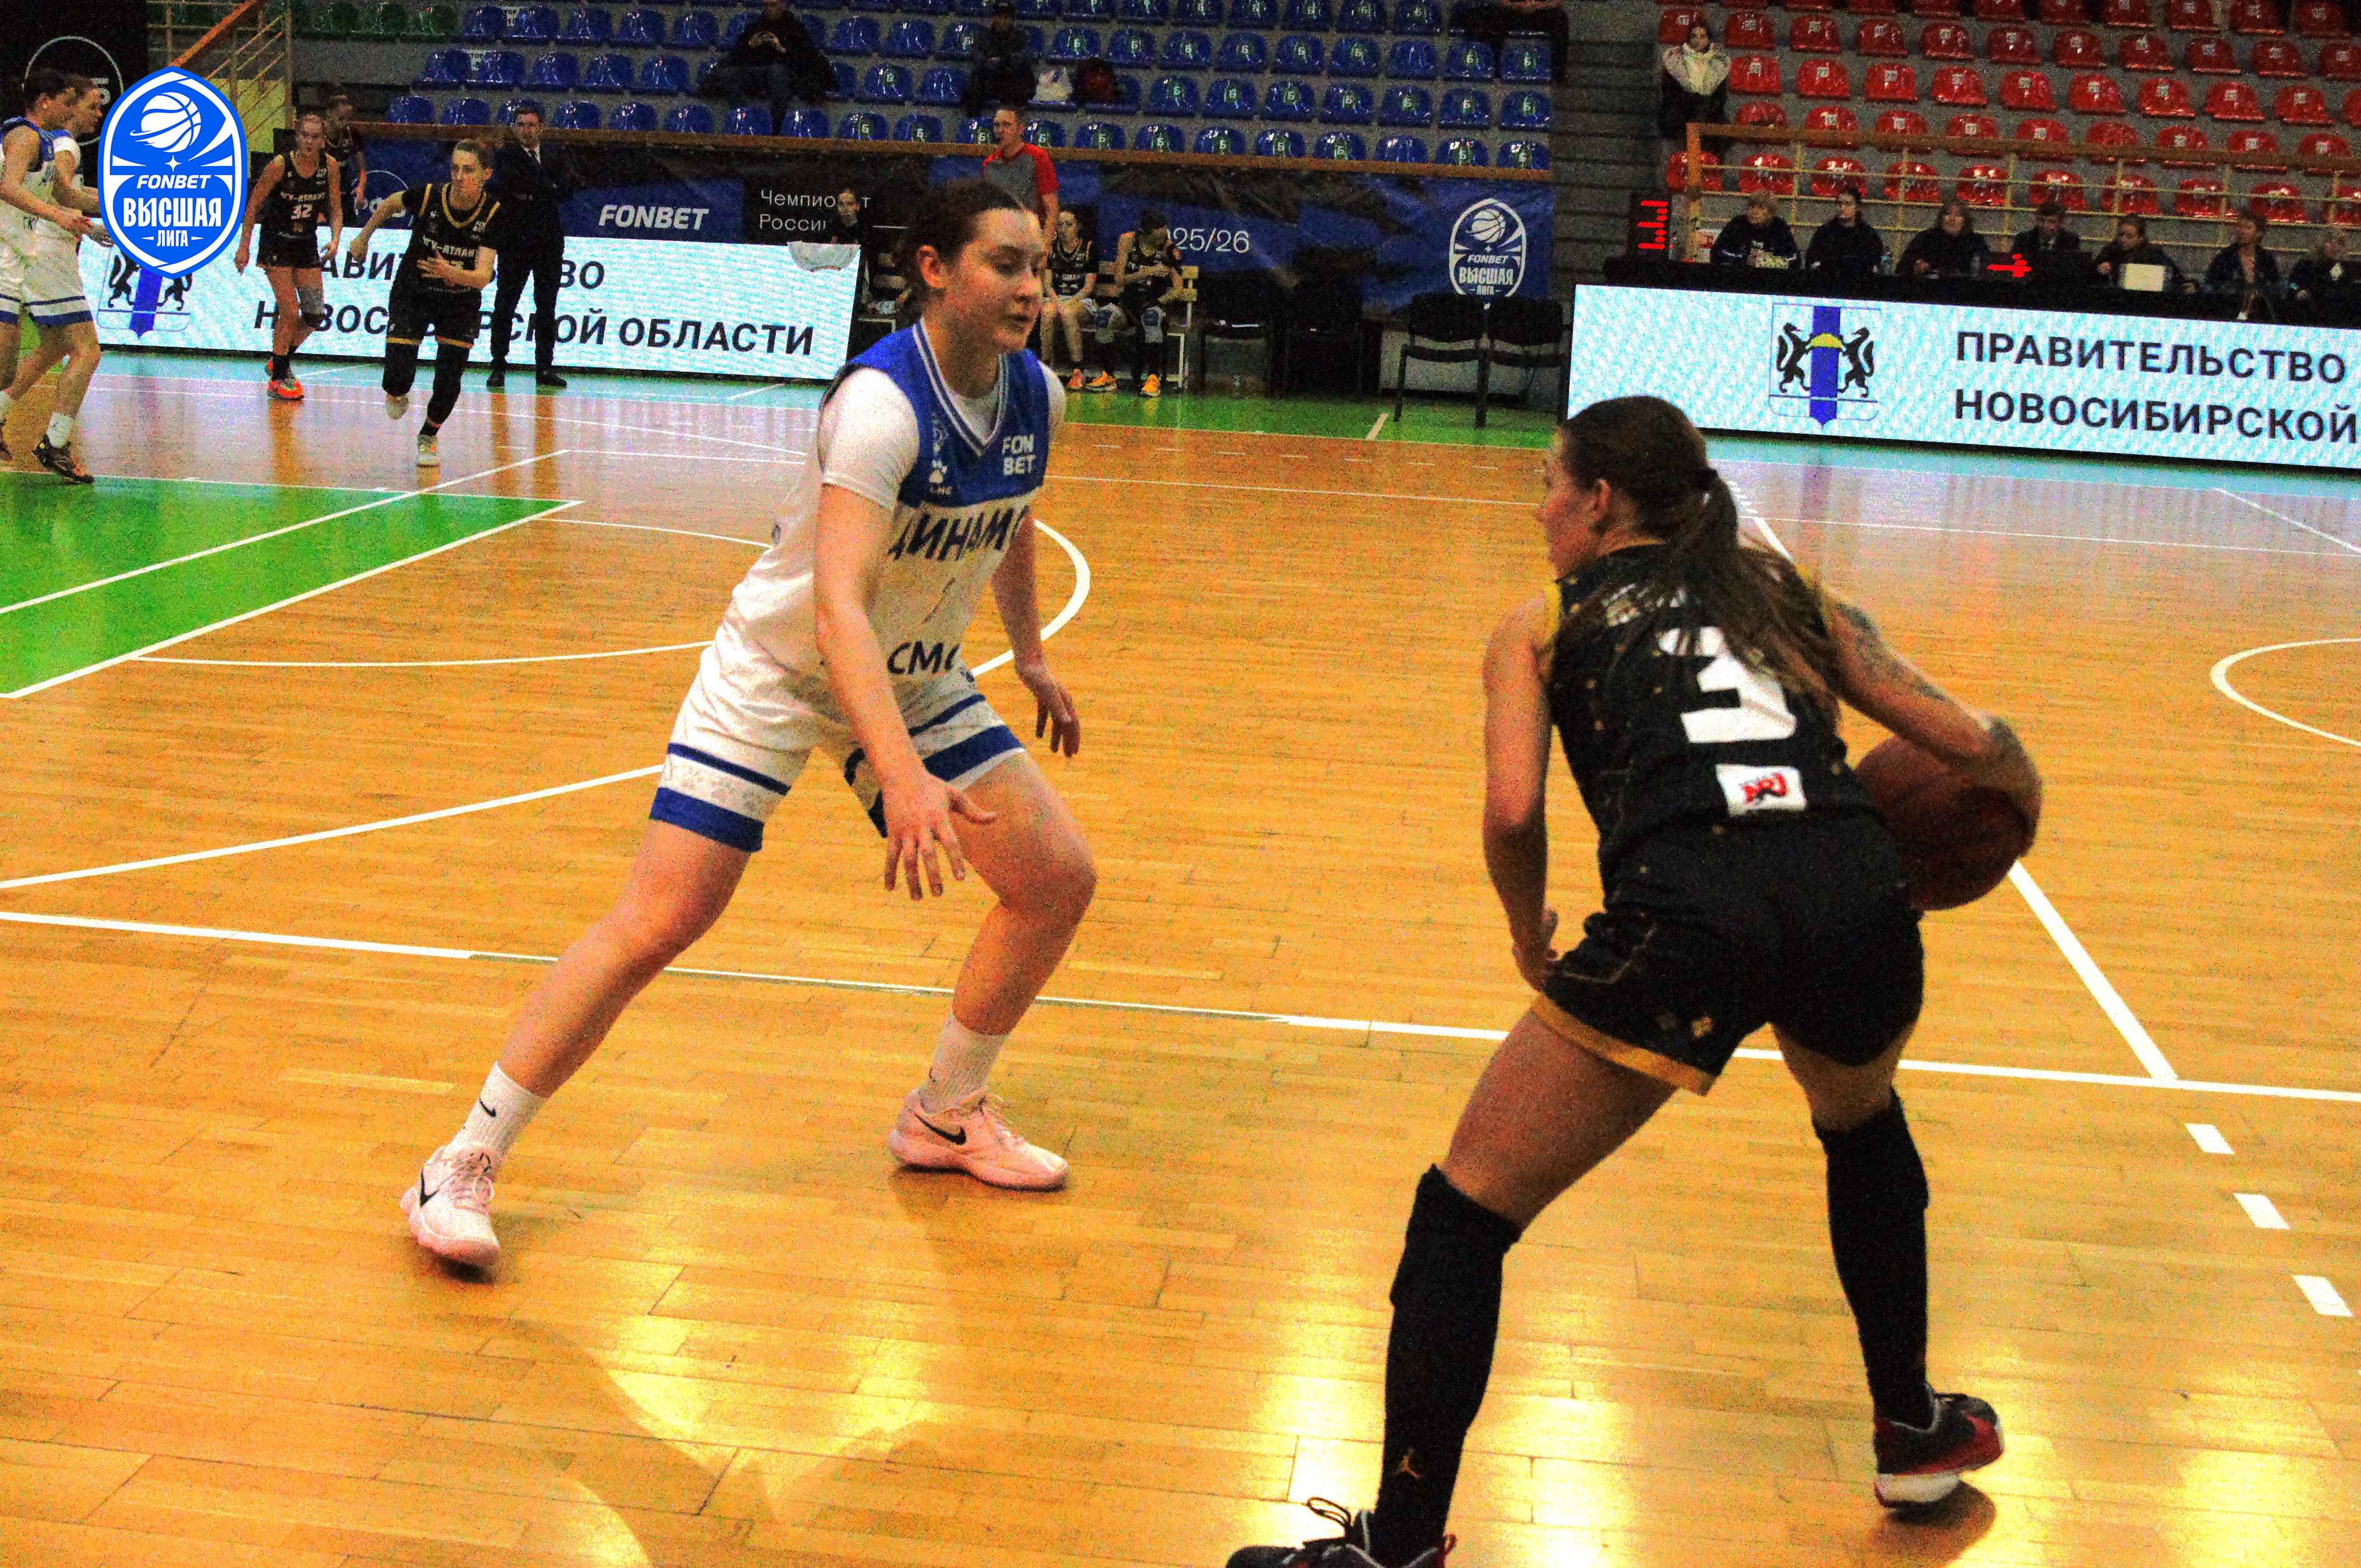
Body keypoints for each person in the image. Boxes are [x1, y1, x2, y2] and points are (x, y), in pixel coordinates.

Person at [1226, 395, 2043, 1568]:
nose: (1539, 510)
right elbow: (1968, 742)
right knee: (1860, 1124)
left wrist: (1526, 934)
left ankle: (1395, 1546)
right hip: (1850, 889)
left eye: (1548, 486)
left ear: (1599, 500)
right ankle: (1912, 1427)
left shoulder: (1541, 623)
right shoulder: (1787, 592)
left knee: (1463, 1212)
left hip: (1691, 912)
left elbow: (1513, 811)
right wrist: (2014, 803)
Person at [399, 179, 1095, 1270]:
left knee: (1055, 878)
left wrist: (1033, 653)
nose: (1028, 287)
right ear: (932, 268)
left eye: (1037, 267)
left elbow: (1008, 519)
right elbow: (835, 610)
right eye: (1005, 263)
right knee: (662, 916)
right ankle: (462, 1158)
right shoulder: (880, 407)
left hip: (909, 676)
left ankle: (946, 1112)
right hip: (778, 671)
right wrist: (900, 774)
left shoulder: (1036, 395)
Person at [347, 140, 502, 468]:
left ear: (485, 174)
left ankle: (429, 435)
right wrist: (363, 237)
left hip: (459, 301)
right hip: (414, 291)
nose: (459, 176)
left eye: (468, 170)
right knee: (396, 379)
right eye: (455, 169)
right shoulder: (431, 195)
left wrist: (450, 273)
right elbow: (391, 202)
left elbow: (483, 276)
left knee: (449, 379)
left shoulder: (493, 214)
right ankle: (397, 390)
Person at [0, 71, 110, 483]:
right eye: (70, 102)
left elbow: (67, 195)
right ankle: (56, 443)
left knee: (10, 369)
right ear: (46, 101)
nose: (72, 111)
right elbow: (9, 188)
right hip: (17, 255)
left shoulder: (46, 143)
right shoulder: (29, 137)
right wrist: (60, 217)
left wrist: (123, 204)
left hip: (20, 258)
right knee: (84, 348)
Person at [235, 109, 344, 402]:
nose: (309, 142)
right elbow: (253, 206)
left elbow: (335, 207)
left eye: (315, 137)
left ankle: (279, 359)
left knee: (314, 315)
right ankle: (279, 378)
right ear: (297, 137)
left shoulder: (330, 167)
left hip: (306, 243)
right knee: (290, 311)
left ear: (323, 140)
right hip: (277, 243)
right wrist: (244, 246)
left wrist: (336, 238)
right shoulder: (280, 165)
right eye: (304, 136)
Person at [487, 102, 578, 391]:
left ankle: (545, 368)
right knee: (505, 303)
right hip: (515, 239)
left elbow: (567, 189)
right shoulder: (506, 156)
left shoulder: (555, 154)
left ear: (541, 128)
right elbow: (507, 186)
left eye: (531, 125)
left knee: (547, 306)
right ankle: (498, 366)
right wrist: (545, 189)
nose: (526, 130)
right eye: (521, 125)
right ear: (514, 129)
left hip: (548, 240)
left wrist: (536, 191)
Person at [706, 0, 833, 128]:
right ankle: (745, 119)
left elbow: (806, 58)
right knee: (728, 74)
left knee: (777, 72)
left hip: (786, 75)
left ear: (784, 5)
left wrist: (781, 49)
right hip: (756, 73)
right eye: (766, 6)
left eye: (773, 5)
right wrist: (750, 46)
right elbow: (736, 56)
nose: (769, 10)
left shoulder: (796, 28)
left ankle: (776, 126)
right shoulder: (755, 27)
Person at [1109, 208, 1184, 397]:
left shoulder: (1168, 248)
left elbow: (1179, 287)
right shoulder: (1128, 241)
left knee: (1151, 318)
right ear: (1145, 234)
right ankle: (1107, 375)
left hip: (1152, 303)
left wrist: (1160, 301)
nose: (1163, 240)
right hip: (1128, 303)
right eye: (1158, 237)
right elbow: (1119, 280)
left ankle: (1152, 378)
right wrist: (1149, 271)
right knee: (1104, 317)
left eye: (1165, 234)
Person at [1040, 208, 1098, 389]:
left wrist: (1068, 302)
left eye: (1069, 224)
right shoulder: (1051, 249)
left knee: (1067, 313)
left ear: (1078, 226)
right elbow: (1048, 285)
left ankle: (1078, 371)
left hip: (1081, 301)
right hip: (1056, 299)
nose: (1064, 229)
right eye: (1060, 225)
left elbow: (1088, 288)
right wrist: (1057, 301)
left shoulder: (1088, 248)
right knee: (1047, 312)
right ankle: (1045, 370)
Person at [980, 106, 1058, 237]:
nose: (1000, 131)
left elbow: (1052, 210)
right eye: (997, 125)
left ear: (1020, 129)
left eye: (1007, 125)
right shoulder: (989, 164)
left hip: (1031, 236)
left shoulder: (1038, 157)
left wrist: (1045, 244)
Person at [1452, 0, 1569, 86]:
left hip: (1540, 12)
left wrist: (1537, 6)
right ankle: (1496, 72)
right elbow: (1503, 2)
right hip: (1514, 12)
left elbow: (1557, 3)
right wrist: (1518, 6)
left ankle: (1557, 75)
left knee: (1561, 18)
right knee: (1494, 17)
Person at [2202, 210, 2282, 322]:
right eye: (2240, 227)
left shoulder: (2266, 259)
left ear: (2259, 233)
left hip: (2259, 316)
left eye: (2248, 228)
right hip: (2228, 314)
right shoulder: (2225, 257)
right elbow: (2210, 286)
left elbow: (2276, 287)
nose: (2242, 231)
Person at [1657, 21, 1729, 143]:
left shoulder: (1718, 63)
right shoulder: (1675, 61)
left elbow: (1720, 97)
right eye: (1694, 36)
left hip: (1708, 112)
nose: (1698, 41)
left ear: (1708, 40)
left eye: (1702, 37)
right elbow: (1669, 93)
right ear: (1689, 39)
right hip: (1680, 111)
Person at [964, 2, 1039, 115]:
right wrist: (990, 63)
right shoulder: (983, 36)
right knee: (975, 83)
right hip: (990, 78)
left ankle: (1015, 120)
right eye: (999, 17)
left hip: (1010, 78)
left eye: (1006, 18)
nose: (1002, 21)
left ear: (1013, 20)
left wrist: (1003, 61)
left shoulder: (1021, 36)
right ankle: (973, 120)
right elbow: (977, 56)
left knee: (1021, 79)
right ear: (993, 18)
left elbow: (1024, 58)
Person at [1804, 187, 1886, 280]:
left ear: (1857, 207)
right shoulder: (1825, 232)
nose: (1843, 208)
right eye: (1840, 204)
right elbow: (1811, 261)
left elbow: (1877, 264)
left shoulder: (1868, 234)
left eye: (1848, 204)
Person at [2091, 213, 2185, 292]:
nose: (2123, 239)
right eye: (2121, 235)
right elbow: (2090, 277)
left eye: (2129, 236)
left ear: (2140, 238)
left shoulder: (2153, 254)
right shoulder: (2110, 250)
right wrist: (2098, 270)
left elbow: (2175, 277)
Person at [1898, 199, 1988, 281]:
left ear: (1965, 222)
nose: (1952, 219)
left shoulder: (1975, 241)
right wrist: (1916, 266)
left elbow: (1985, 270)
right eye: (1948, 214)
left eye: (1958, 215)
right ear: (1942, 218)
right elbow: (1903, 266)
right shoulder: (1926, 237)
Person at [1709, 191, 1799, 269]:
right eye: (1752, 206)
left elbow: (1795, 259)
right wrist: (1744, 260)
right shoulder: (1737, 224)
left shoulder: (1780, 227)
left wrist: (1769, 262)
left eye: (1761, 208)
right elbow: (1717, 252)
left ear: (1771, 213)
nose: (1754, 212)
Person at [2290, 226, 2359, 326]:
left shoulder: (2347, 269)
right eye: (2338, 243)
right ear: (2326, 244)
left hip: (2340, 315)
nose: (2340, 249)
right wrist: (2298, 291)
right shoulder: (2306, 265)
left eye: (2343, 245)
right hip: (2312, 313)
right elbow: (2292, 284)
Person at [2007, 198, 2084, 284]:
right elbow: (2014, 269)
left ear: (2060, 223)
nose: (2045, 226)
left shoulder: (2071, 240)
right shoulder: (2023, 239)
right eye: (2042, 221)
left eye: (2051, 222)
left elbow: (2072, 272)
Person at [320, 90, 369, 223]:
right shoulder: (317, 135)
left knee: (350, 226)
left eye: (348, 119)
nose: (344, 123)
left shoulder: (352, 134)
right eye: (341, 119)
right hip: (320, 193)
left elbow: (362, 170)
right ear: (329, 113)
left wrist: (360, 188)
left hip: (343, 191)